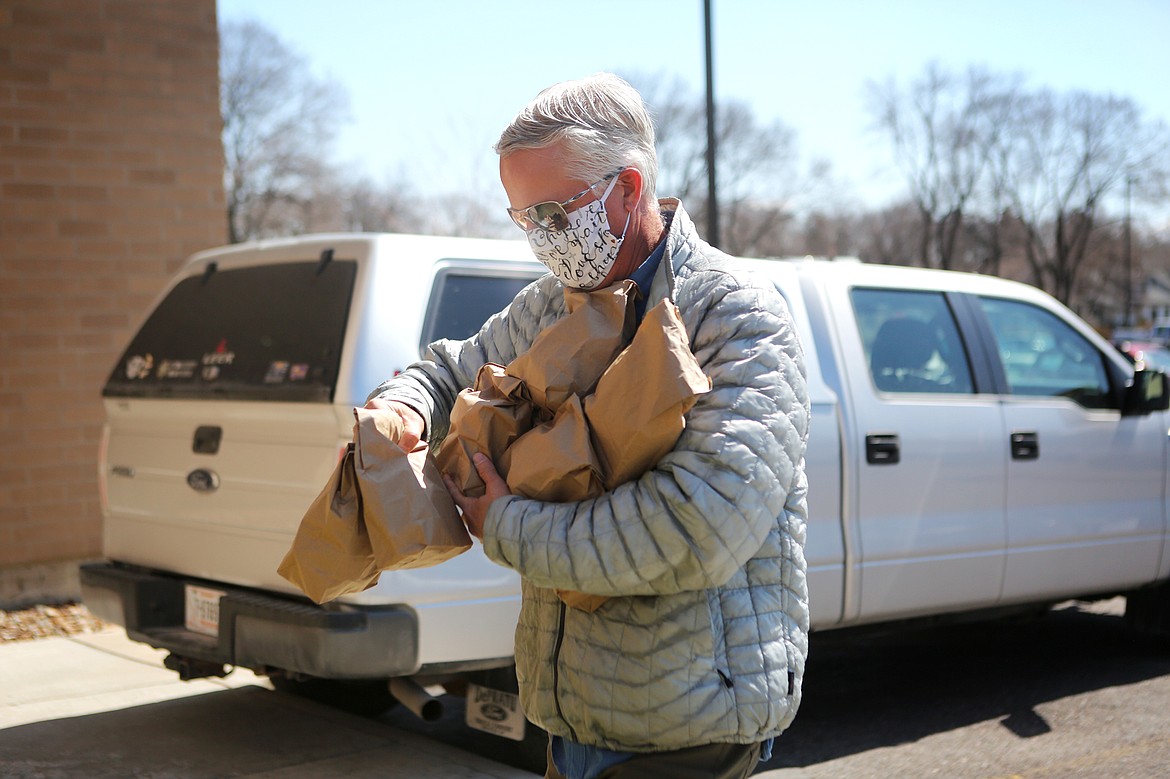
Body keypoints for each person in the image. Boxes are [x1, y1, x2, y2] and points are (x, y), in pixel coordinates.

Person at [367, 72, 810, 779]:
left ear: (628, 189)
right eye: (522, 218)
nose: (542, 238)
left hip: (687, 726)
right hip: (571, 716)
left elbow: (696, 531)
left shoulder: (735, 317)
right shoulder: (550, 308)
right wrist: (403, 406)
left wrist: (505, 523)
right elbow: (454, 368)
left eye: (553, 212)